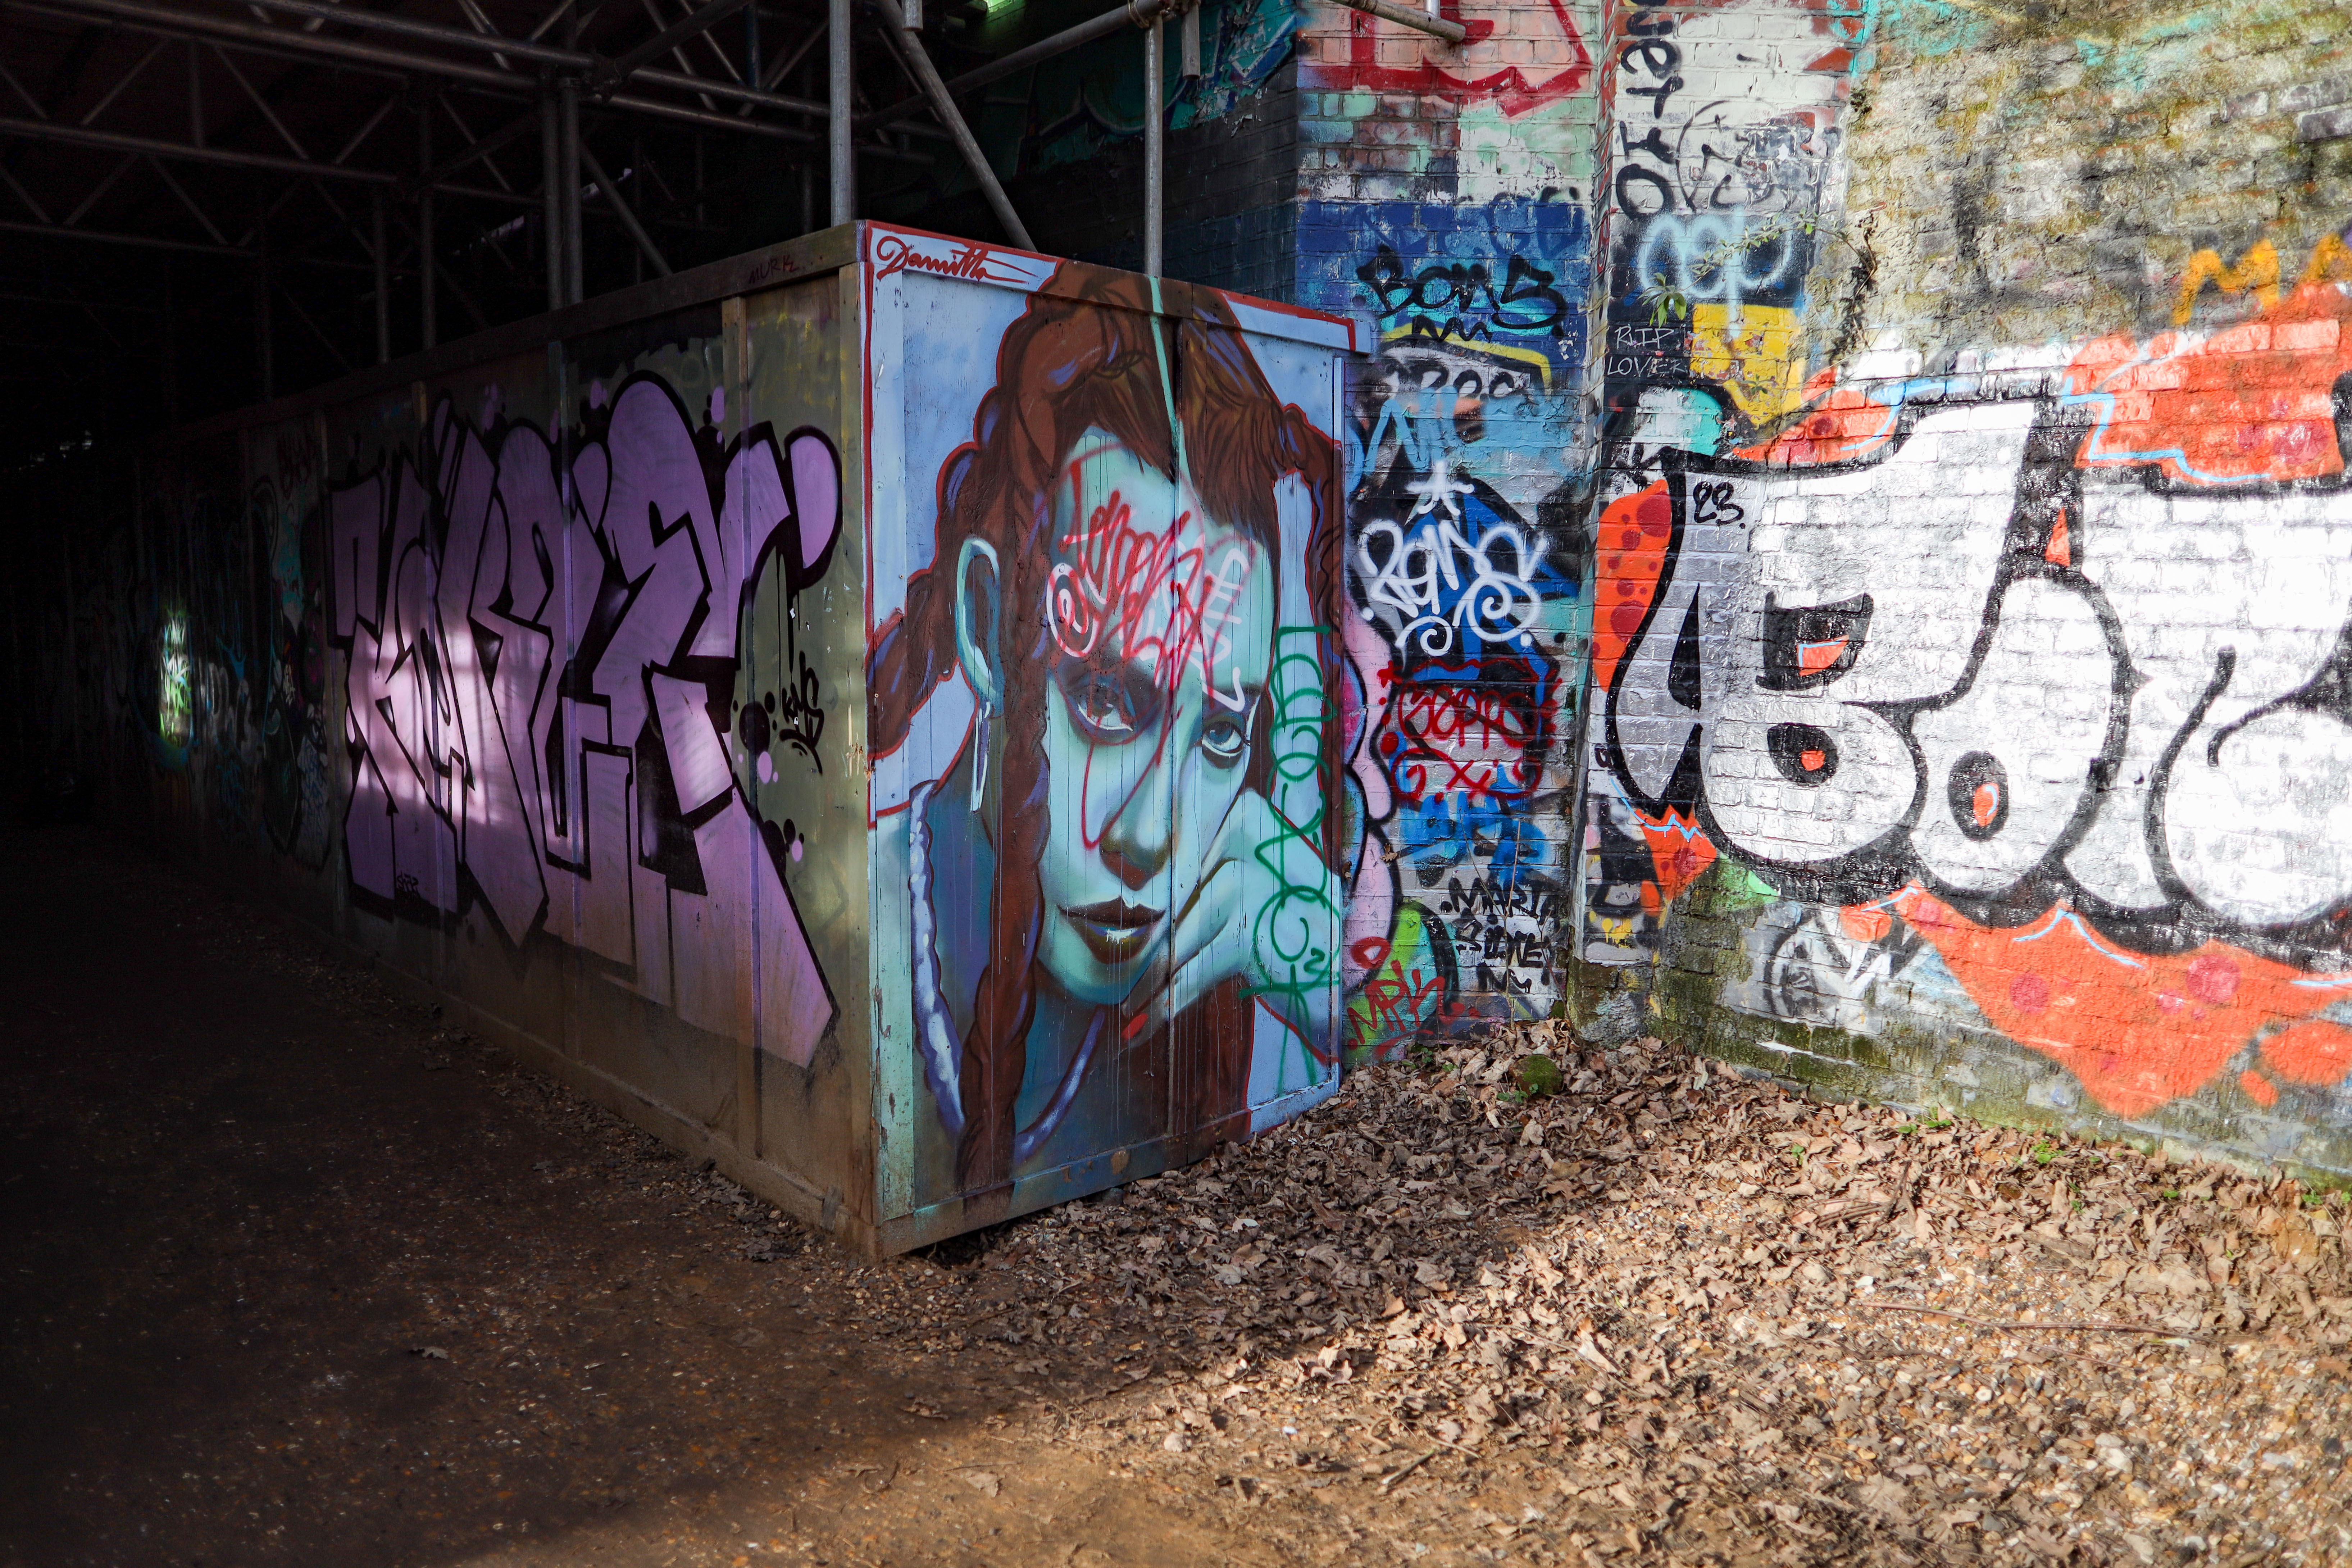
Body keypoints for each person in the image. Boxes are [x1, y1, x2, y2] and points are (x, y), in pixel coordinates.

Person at [868, 265, 1344, 1202]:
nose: (1149, 838)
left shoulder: (1195, 1001)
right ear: (983, 621)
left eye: (1219, 736)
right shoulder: (834, 969)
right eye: (1106, 702)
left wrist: (1326, 986)